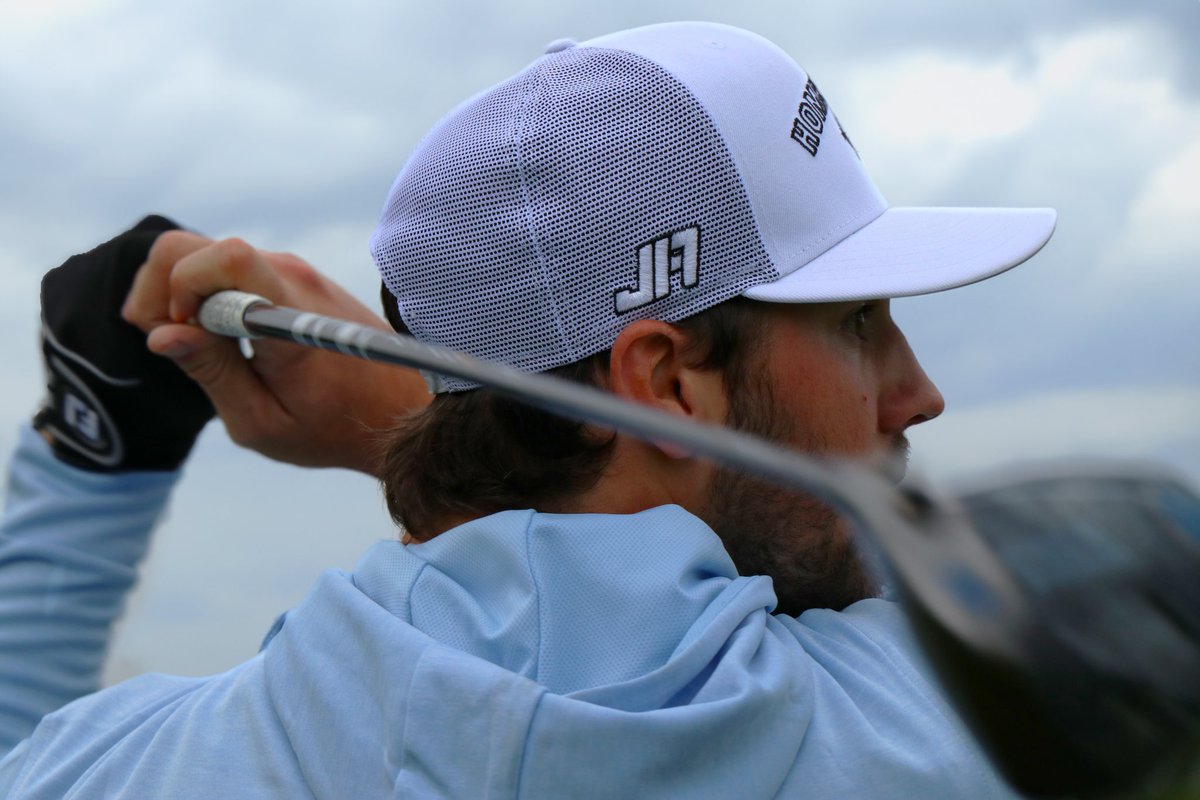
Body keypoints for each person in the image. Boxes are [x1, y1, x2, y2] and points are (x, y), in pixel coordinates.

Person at [0, 21, 1055, 799]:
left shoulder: (123, 764)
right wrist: (403, 409)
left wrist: (96, 457)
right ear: (668, 382)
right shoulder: (943, 727)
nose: (918, 392)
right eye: (860, 323)